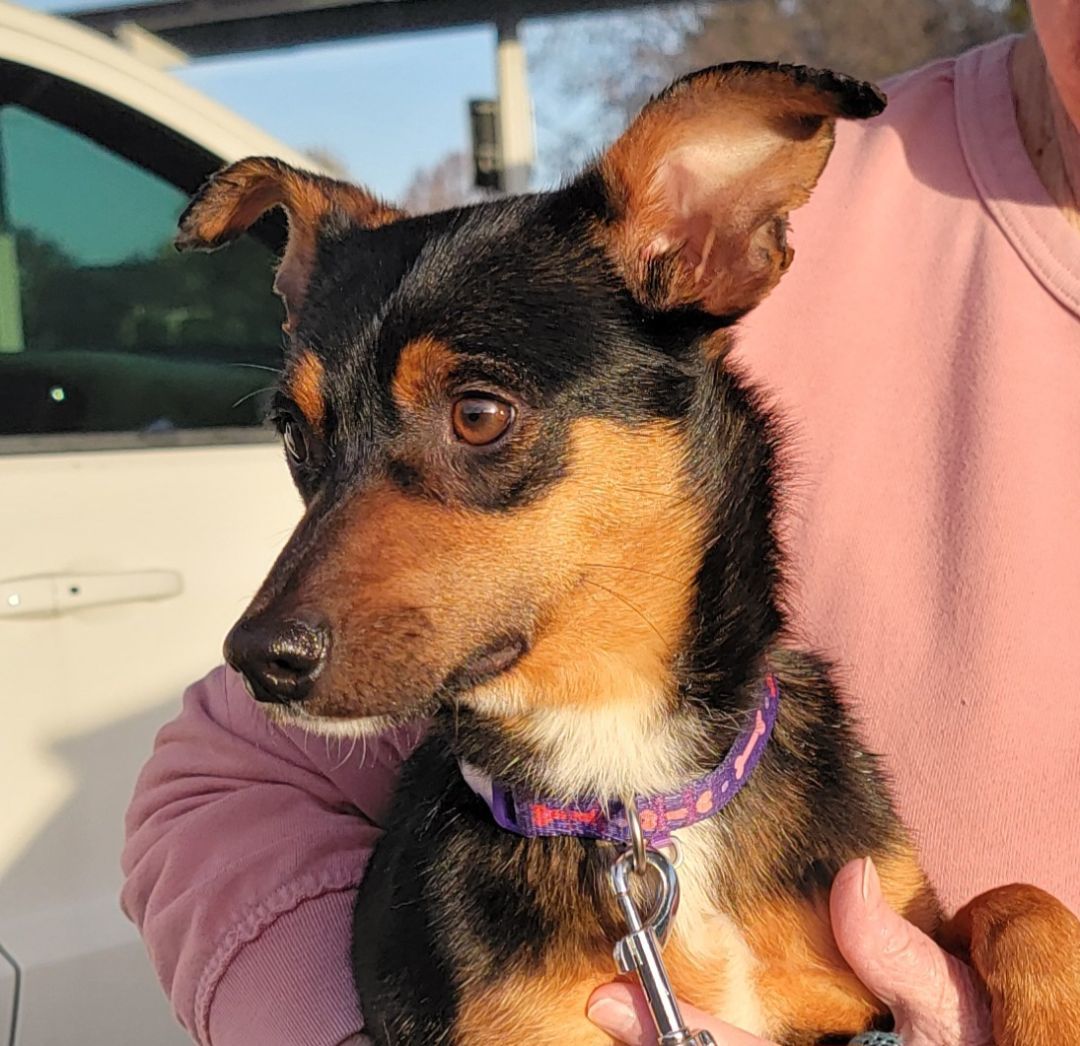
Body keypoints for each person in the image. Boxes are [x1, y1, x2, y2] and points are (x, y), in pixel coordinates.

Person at [121, 2, 1080, 1042]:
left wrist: (1024, 941)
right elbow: (223, 782)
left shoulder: (834, 814)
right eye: (312, 446)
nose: (296, 604)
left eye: (478, 416)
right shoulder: (843, 201)